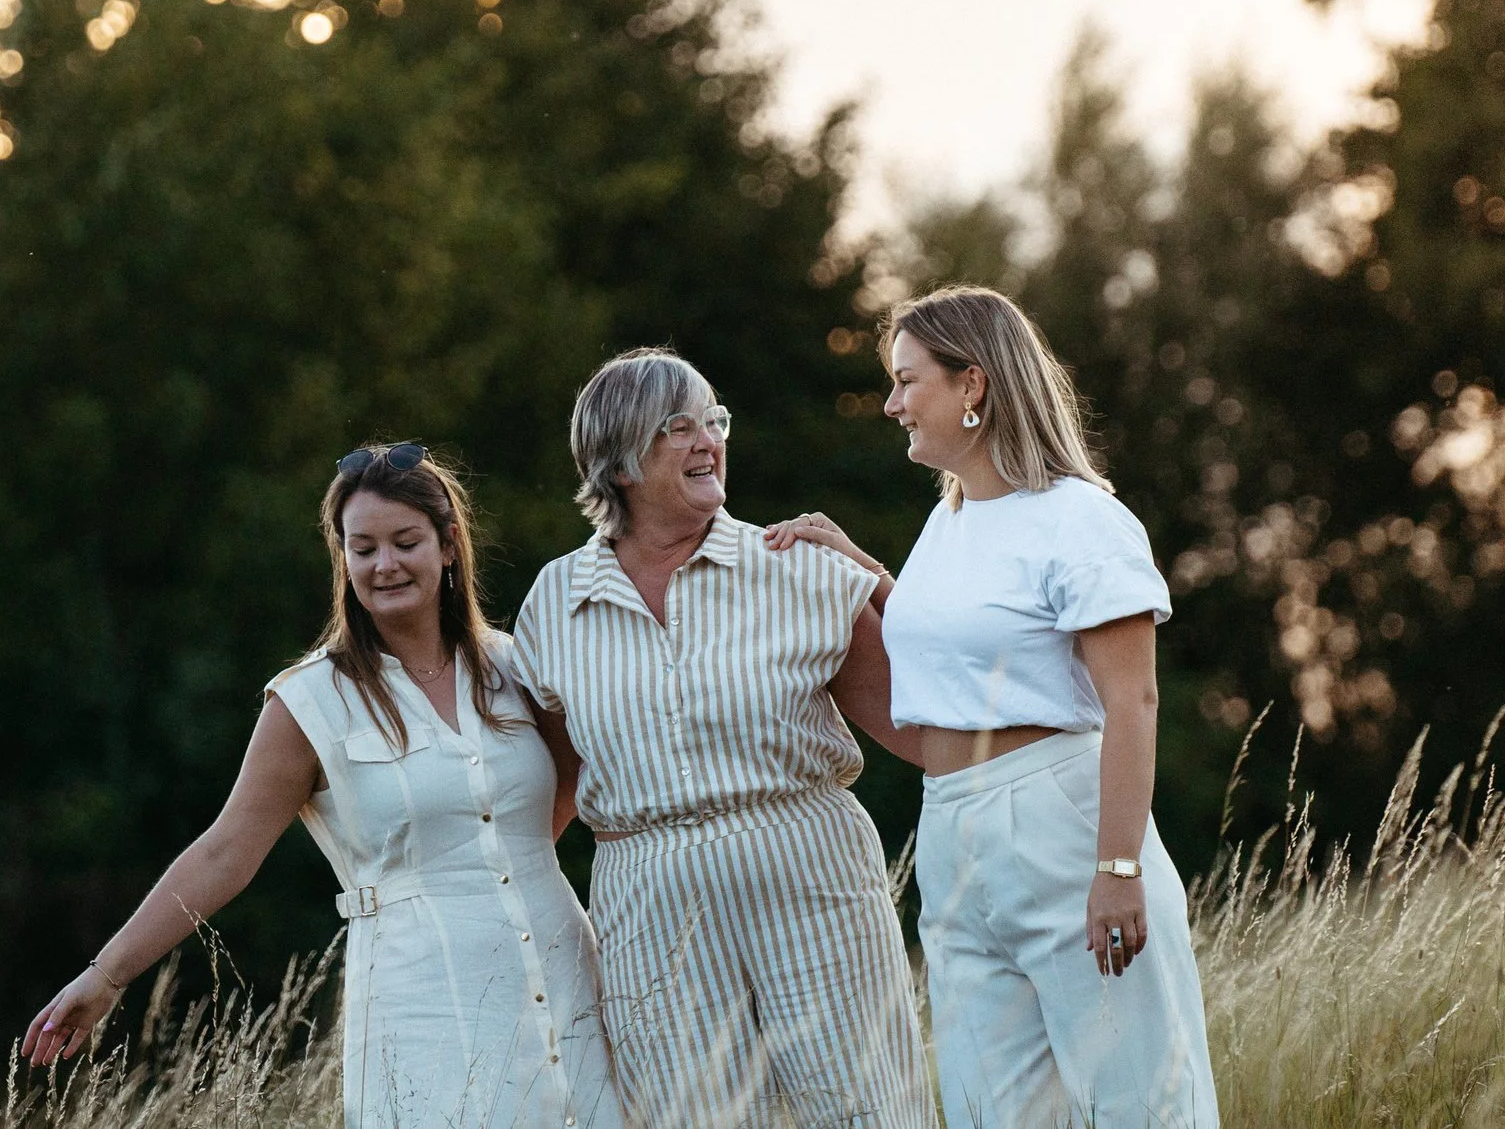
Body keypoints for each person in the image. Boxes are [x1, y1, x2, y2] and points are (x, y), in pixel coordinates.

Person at [24, 442, 622, 1129]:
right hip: (423, 1002)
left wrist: (499, 866)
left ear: (449, 544)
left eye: (405, 542)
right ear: (343, 558)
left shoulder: (516, 667)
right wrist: (108, 974)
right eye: (362, 548)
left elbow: (572, 778)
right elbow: (226, 851)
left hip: (563, 971)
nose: (384, 564)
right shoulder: (310, 700)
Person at [766, 286, 1218, 1128]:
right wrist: (868, 575)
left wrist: (1117, 868)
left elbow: (1133, 699)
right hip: (951, 831)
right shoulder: (948, 521)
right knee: (991, 1109)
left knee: (1138, 1102)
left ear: (971, 382)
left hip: (1059, 820)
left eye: (908, 381)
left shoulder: (1081, 518)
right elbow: (960, 650)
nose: (892, 404)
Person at [514, 347, 931, 1129]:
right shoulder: (554, 602)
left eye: (715, 420)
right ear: (619, 461)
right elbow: (557, 786)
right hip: (647, 897)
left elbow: (929, 730)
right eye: (680, 426)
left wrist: (877, 575)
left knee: (869, 1111)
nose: (709, 440)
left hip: (811, 874)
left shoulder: (797, 569)